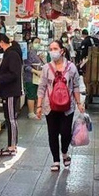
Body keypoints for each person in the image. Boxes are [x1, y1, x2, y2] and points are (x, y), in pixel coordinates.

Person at [36, 40, 83, 172]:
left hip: (68, 107)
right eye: (51, 49)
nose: (53, 51)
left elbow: (76, 86)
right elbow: (42, 88)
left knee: (65, 131)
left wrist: (79, 103)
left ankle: (64, 152)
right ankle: (56, 160)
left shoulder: (71, 67)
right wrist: (39, 106)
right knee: (52, 133)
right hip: (49, 106)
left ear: (62, 51)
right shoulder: (46, 68)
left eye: (55, 48)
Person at [24, 37, 44, 120]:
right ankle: (31, 112)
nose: (37, 44)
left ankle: (36, 111)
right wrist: (35, 71)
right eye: (36, 42)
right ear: (31, 43)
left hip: (37, 78)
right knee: (31, 95)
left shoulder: (36, 53)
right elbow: (26, 66)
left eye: (39, 42)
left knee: (36, 95)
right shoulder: (28, 53)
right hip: (30, 77)